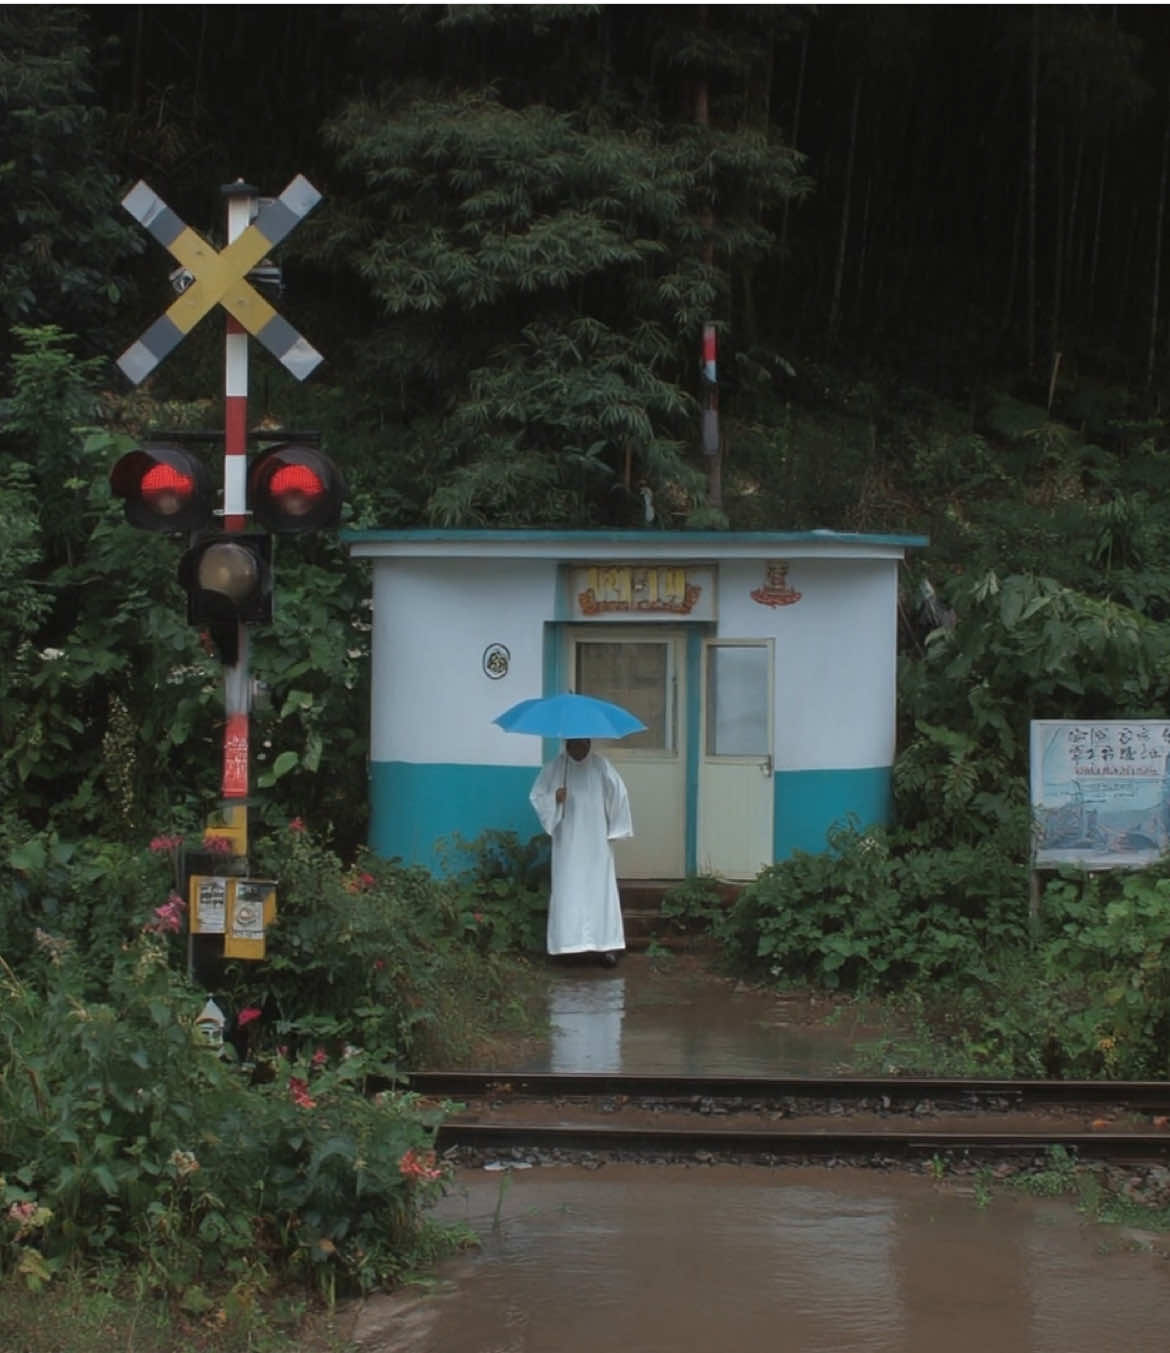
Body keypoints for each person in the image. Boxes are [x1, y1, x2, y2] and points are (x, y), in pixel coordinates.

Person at [529, 737, 633, 966]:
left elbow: (618, 795)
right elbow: (537, 796)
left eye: (584, 743)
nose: (580, 748)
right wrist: (554, 798)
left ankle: (607, 945)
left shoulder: (601, 767)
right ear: (568, 744)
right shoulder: (556, 768)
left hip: (597, 842)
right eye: (575, 744)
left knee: (600, 891)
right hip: (568, 844)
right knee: (569, 890)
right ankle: (568, 946)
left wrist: (615, 828)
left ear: (589, 743)